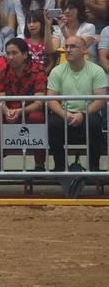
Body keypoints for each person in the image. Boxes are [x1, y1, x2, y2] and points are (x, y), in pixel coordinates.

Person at [45, 35, 108, 185]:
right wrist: (65, 114)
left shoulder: (97, 70)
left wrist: (82, 114)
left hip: (87, 113)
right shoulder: (57, 71)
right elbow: (50, 99)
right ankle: (60, 167)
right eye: (66, 46)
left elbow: (101, 99)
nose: (68, 50)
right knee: (53, 124)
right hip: (64, 114)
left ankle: (93, 168)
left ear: (84, 50)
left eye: (72, 46)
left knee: (94, 124)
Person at [0, 38, 46, 174]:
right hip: (9, 110)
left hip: (29, 110)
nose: (10, 57)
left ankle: (39, 164)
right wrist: (6, 110)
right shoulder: (2, 71)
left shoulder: (38, 71)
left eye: (14, 53)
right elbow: (0, 99)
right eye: (8, 53)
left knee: (37, 118)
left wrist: (20, 111)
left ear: (25, 54)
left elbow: (39, 102)